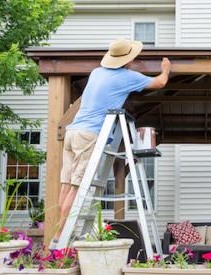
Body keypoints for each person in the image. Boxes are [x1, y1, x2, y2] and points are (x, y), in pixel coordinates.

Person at [50, 39, 171, 249]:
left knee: (65, 186)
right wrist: (165, 69)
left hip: (72, 131)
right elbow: (160, 83)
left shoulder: (96, 73)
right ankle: (61, 235)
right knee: (76, 189)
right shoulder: (127, 77)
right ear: (129, 60)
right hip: (89, 135)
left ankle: (56, 235)